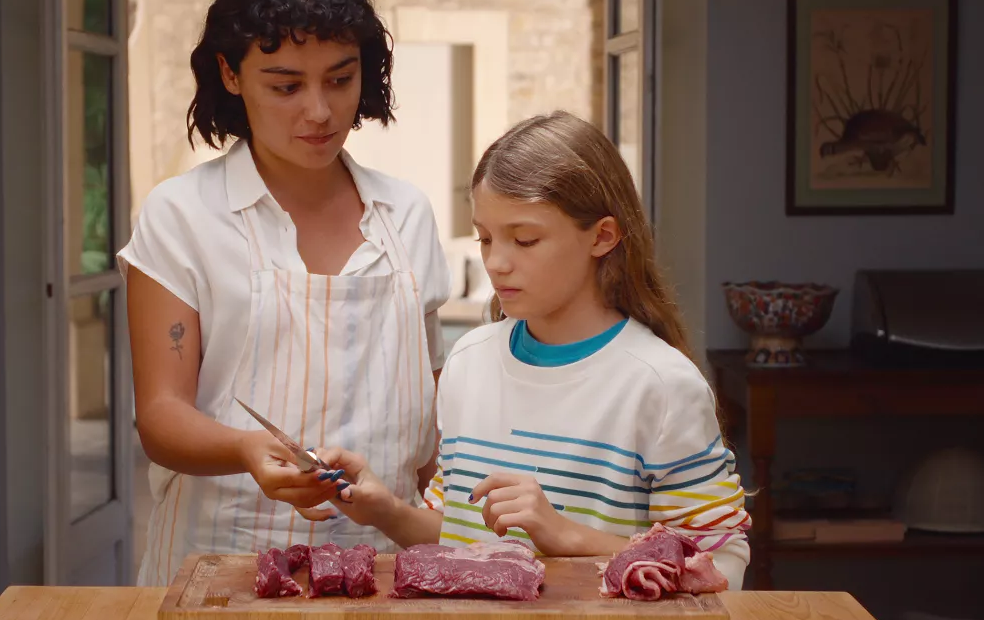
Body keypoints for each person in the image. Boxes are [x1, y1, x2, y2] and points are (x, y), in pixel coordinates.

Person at [118, 0, 450, 586]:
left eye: (340, 78)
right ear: (231, 74)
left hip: (390, 563)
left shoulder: (405, 213)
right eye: (286, 85)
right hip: (222, 564)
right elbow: (161, 415)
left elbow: (431, 415)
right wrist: (246, 448)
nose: (320, 112)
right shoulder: (182, 214)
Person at [317, 111, 751, 590]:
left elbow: (718, 569)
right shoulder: (468, 363)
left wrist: (563, 533)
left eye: (525, 239)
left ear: (602, 236)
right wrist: (386, 510)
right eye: (485, 238)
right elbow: (461, 539)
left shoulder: (661, 385)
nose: (497, 263)